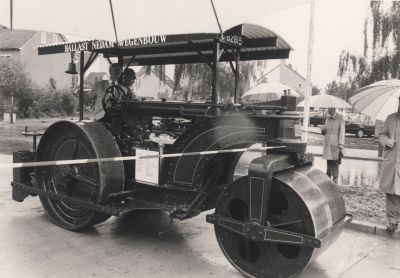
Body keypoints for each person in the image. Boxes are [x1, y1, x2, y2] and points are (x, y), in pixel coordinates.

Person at [379, 97, 400, 232]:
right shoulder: (391, 118)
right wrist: (387, 141)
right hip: (392, 161)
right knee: (391, 191)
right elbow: (382, 134)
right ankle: (392, 221)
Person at [321, 107, 345, 184]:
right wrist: (323, 130)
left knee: (335, 162)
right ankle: (327, 181)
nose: (329, 111)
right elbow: (324, 132)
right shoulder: (327, 119)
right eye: (328, 110)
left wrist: (341, 143)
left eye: (330, 110)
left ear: (334, 109)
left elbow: (342, 132)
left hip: (335, 143)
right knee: (328, 162)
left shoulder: (340, 118)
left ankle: (335, 181)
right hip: (327, 143)